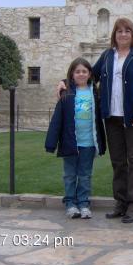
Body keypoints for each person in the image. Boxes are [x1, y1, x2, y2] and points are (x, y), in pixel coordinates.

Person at [57, 17, 133, 223]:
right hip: (112, 118)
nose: (123, 34)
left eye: (127, 31)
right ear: (114, 35)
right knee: (118, 162)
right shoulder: (108, 56)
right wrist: (65, 82)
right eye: (119, 31)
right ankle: (121, 203)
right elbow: (89, 74)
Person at [46, 58, 106, 219]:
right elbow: (57, 120)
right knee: (70, 175)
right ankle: (71, 203)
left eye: (84, 71)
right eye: (77, 71)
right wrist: (51, 143)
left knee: (85, 175)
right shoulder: (66, 94)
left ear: (90, 74)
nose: (81, 74)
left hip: (88, 143)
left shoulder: (95, 93)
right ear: (72, 74)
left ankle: (84, 203)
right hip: (70, 143)